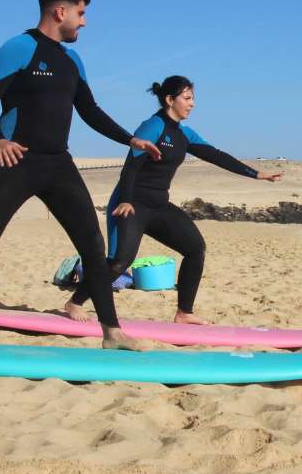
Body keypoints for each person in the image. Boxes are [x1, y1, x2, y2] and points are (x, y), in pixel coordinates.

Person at [0, 0, 163, 353]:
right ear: (59, 11)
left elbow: (90, 111)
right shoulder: (18, 48)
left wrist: (130, 139)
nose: (83, 22)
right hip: (17, 164)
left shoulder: (71, 60)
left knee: (93, 247)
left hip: (58, 165)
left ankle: (112, 333)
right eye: (80, 14)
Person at [64, 75, 282, 325]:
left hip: (158, 206)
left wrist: (256, 174)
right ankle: (75, 301)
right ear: (170, 99)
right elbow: (131, 165)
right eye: (187, 98)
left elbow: (216, 156)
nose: (192, 104)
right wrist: (125, 199)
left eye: (193, 99)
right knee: (119, 261)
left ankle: (184, 312)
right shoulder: (153, 126)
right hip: (131, 204)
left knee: (195, 249)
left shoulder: (184, 134)